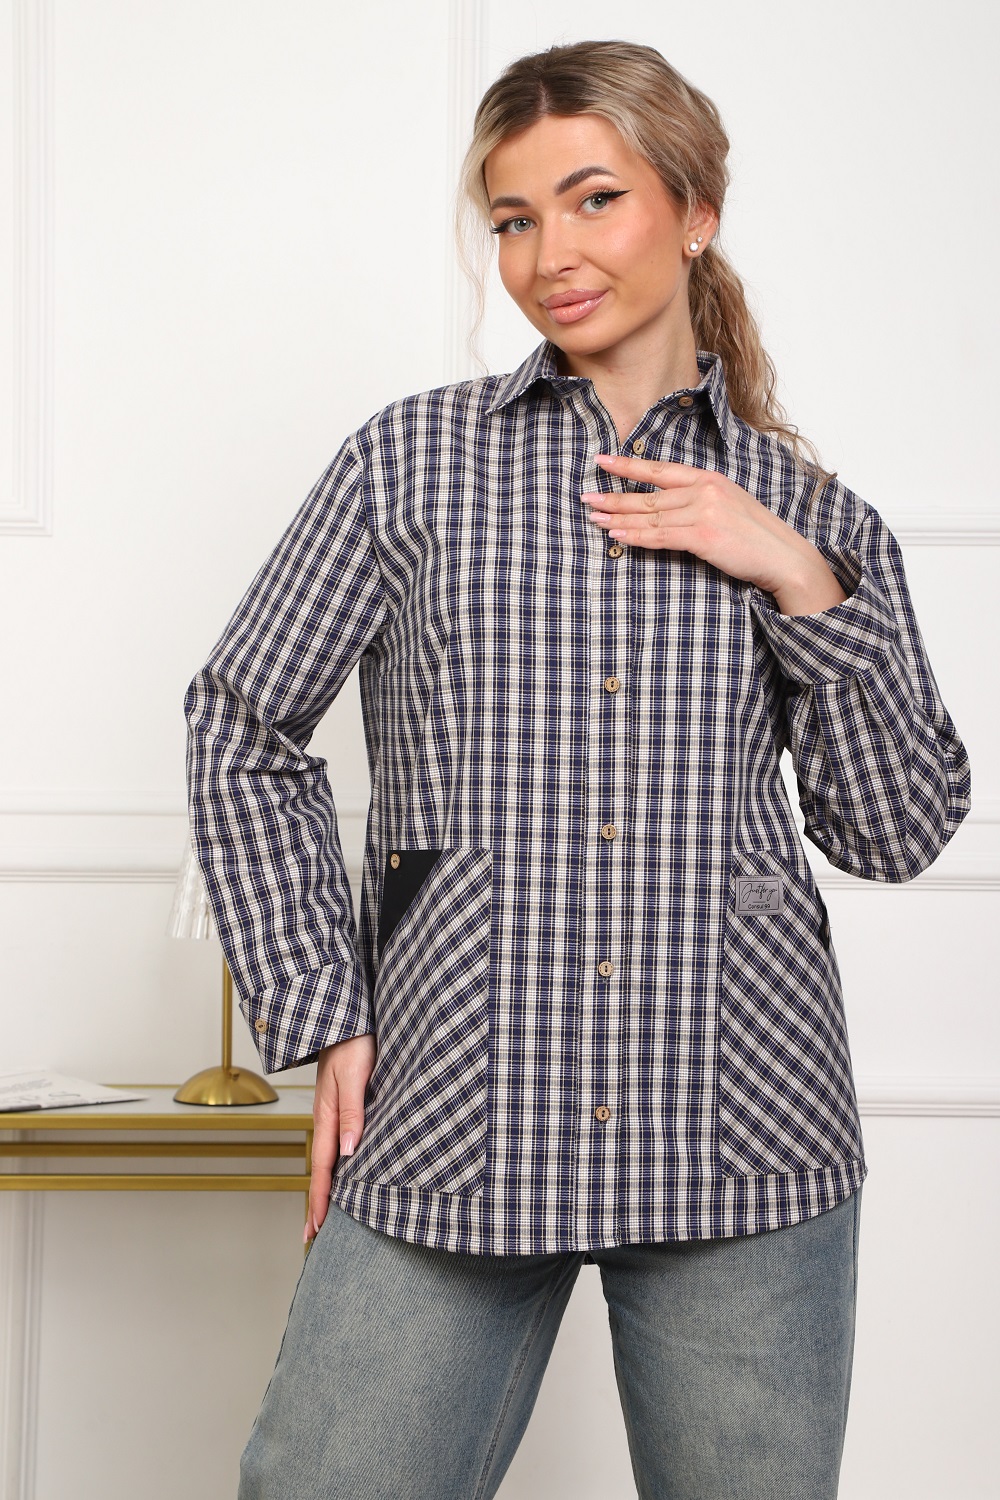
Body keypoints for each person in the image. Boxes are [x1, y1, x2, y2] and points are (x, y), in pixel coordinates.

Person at [185, 39, 970, 1500]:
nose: (549, 253)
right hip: (455, 1105)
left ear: (696, 210)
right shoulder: (408, 466)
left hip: (746, 1127)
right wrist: (326, 1011)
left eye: (594, 198)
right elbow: (241, 719)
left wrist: (797, 577)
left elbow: (896, 827)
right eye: (513, 217)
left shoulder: (806, 510)